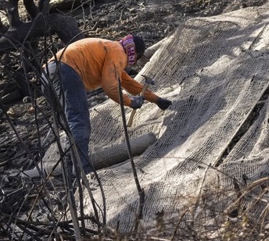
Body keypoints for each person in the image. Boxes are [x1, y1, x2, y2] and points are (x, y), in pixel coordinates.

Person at [41, 34, 172, 175]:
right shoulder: (118, 52)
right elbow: (109, 86)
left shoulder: (111, 48)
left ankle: (70, 170)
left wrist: (156, 99)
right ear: (135, 53)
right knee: (79, 123)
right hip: (66, 71)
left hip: (48, 73)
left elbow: (128, 82)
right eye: (138, 58)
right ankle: (82, 171)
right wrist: (130, 102)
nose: (135, 62)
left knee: (70, 124)